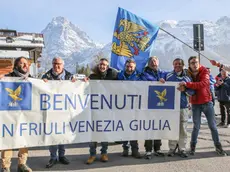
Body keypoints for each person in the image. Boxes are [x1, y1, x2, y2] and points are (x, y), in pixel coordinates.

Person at [179, 56, 227, 156]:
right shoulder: (187, 73)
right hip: (195, 103)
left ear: (199, 63)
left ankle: (218, 147)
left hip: (207, 102)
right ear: (189, 65)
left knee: (213, 126)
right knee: (196, 127)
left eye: (196, 62)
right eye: (192, 63)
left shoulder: (205, 71)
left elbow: (203, 83)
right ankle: (192, 147)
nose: (195, 64)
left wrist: (187, 84)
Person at [0, 56, 32, 172]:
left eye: (27, 63)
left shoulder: (31, 79)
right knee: (7, 140)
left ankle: (22, 164)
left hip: (25, 116)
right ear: (16, 65)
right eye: (22, 63)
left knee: (24, 139)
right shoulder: (8, 78)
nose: (25, 65)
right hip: (9, 115)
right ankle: (5, 166)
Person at [42, 57, 74, 168]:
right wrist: (43, 83)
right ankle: (53, 157)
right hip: (51, 111)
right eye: (54, 63)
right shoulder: (46, 76)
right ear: (52, 64)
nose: (57, 66)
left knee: (62, 134)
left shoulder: (70, 76)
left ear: (63, 65)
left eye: (59, 64)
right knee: (52, 135)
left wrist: (80, 82)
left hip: (65, 110)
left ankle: (62, 156)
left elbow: (77, 88)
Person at [86, 58, 118, 164]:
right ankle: (92, 154)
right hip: (94, 110)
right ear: (98, 66)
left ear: (107, 66)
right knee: (93, 134)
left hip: (106, 109)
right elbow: (85, 88)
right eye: (100, 64)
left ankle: (104, 153)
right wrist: (83, 82)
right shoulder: (92, 76)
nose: (102, 66)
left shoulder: (113, 76)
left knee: (104, 132)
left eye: (104, 65)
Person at [139, 56, 167, 159]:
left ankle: (157, 148)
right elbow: (144, 81)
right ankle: (148, 150)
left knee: (158, 126)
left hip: (160, 104)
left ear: (158, 62)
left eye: (155, 61)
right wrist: (157, 80)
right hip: (148, 104)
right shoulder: (144, 73)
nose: (153, 63)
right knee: (149, 127)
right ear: (148, 63)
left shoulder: (163, 73)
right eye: (151, 61)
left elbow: (170, 80)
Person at [166, 58, 194, 158]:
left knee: (183, 129)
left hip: (183, 106)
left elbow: (192, 92)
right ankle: (172, 148)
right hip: (171, 107)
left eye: (179, 64)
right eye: (175, 64)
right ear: (173, 65)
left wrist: (185, 89)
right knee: (172, 128)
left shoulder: (187, 78)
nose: (177, 66)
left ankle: (182, 149)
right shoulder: (168, 76)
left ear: (183, 65)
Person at [117, 59, 141, 159]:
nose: (129, 68)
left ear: (134, 67)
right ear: (125, 66)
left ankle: (135, 149)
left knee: (133, 127)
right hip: (122, 105)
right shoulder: (119, 75)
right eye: (127, 66)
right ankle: (125, 148)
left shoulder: (139, 76)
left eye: (131, 66)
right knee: (124, 127)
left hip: (135, 105)